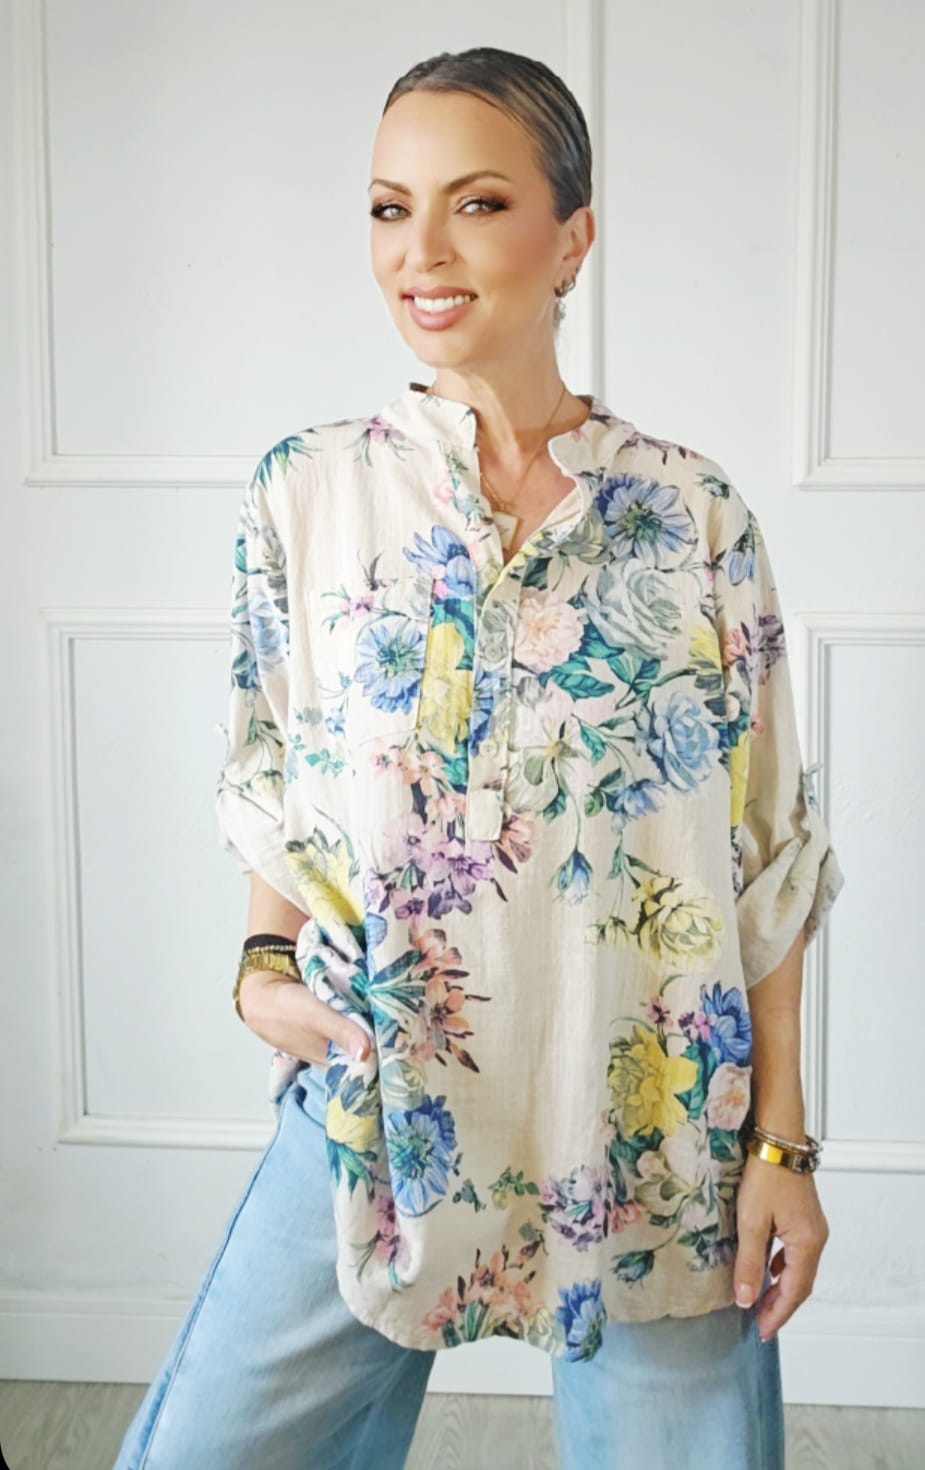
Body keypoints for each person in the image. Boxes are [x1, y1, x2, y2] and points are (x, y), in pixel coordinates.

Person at [113, 44, 845, 1470]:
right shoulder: (307, 493)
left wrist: (782, 1146)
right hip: (375, 1097)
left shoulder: (692, 515)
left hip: (651, 1132)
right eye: (390, 208)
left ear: (573, 237)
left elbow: (768, 859)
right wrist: (261, 969)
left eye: (478, 202)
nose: (421, 252)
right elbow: (275, 783)